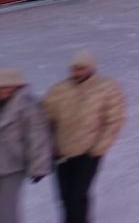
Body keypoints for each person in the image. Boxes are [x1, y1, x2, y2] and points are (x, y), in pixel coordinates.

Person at [40, 52, 122, 223]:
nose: (76, 72)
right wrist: (49, 147)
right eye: (73, 68)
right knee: (65, 197)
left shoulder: (106, 87)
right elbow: (44, 118)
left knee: (77, 195)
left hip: (88, 153)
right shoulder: (59, 89)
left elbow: (114, 120)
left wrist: (98, 148)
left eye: (81, 68)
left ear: (91, 68)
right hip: (61, 153)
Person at [0, 69, 52, 223]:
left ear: (17, 86)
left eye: (6, 87)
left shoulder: (28, 105)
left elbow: (37, 136)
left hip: (14, 165)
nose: (2, 90)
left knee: (6, 210)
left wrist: (39, 167)